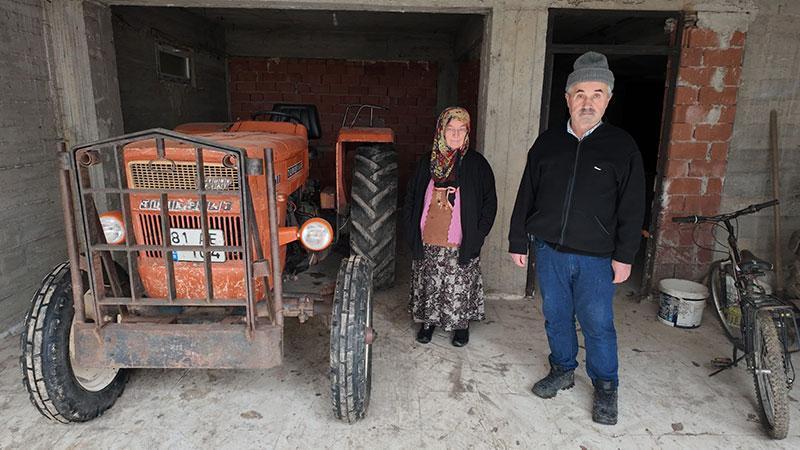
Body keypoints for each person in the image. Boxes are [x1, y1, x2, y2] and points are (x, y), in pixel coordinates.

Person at [508, 51, 645, 425]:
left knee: (598, 324)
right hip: (550, 251)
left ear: (608, 99)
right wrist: (518, 240)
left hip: (596, 258)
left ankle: (606, 386)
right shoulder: (547, 143)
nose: (587, 102)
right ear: (567, 98)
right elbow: (526, 194)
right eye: (580, 93)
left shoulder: (622, 147)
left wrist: (625, 255)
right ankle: (563, 370)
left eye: (597, 93)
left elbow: (633, 207)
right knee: (555, 317)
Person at [404, 107, 497, 347]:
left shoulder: (477, 163)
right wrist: (410, 229)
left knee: (459, 283)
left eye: (461, 129)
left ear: (467, 132)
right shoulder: (427, 161)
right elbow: (412, 196)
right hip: (428, 235)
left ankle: (460, 326)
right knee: (429, 281)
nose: (456, 134)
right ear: (441, 131)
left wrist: (479, 234)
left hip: (461, 239)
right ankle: (428, 323)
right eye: (450, 129)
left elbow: (490, 202)